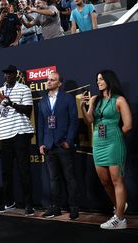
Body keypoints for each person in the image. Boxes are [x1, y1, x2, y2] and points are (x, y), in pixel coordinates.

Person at [80, 70, 132, 230]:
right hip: (98, 144)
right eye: (97, 80)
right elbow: (89, 120)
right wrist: (82, 105)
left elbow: (128, 125)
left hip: (113, 143)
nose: (98, 82)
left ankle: (120, 219)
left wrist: (115, 136)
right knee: (105, 181)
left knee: (117, 180)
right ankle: (120, 207)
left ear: (109, 80)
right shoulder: (95, 99)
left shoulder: (119, 100)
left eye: (101, 79)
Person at [0, 64, 35, 215]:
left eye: (10, 73)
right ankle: (9, 202)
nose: (7, 76)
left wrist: (11, 103)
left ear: (16, 75)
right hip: (4, 135)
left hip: (20, 133)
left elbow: (28, 110)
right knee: (6, 172)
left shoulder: (24, 89)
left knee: (24, 171)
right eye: (5, 73)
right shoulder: (0, 91)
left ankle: (29, 204)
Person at [37, 72, 80, 220]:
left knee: (69, 178)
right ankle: (55, 207)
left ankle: (74, 208)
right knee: (53, 179)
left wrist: (68, 140)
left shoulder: (67, 98)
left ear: (59, 83)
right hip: (49, 146)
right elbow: (41, 124)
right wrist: (41, 143)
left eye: (52, 80)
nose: (48, 82)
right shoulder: (42, 101)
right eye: (47, 80)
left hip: (63, 145)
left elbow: (74, 121)